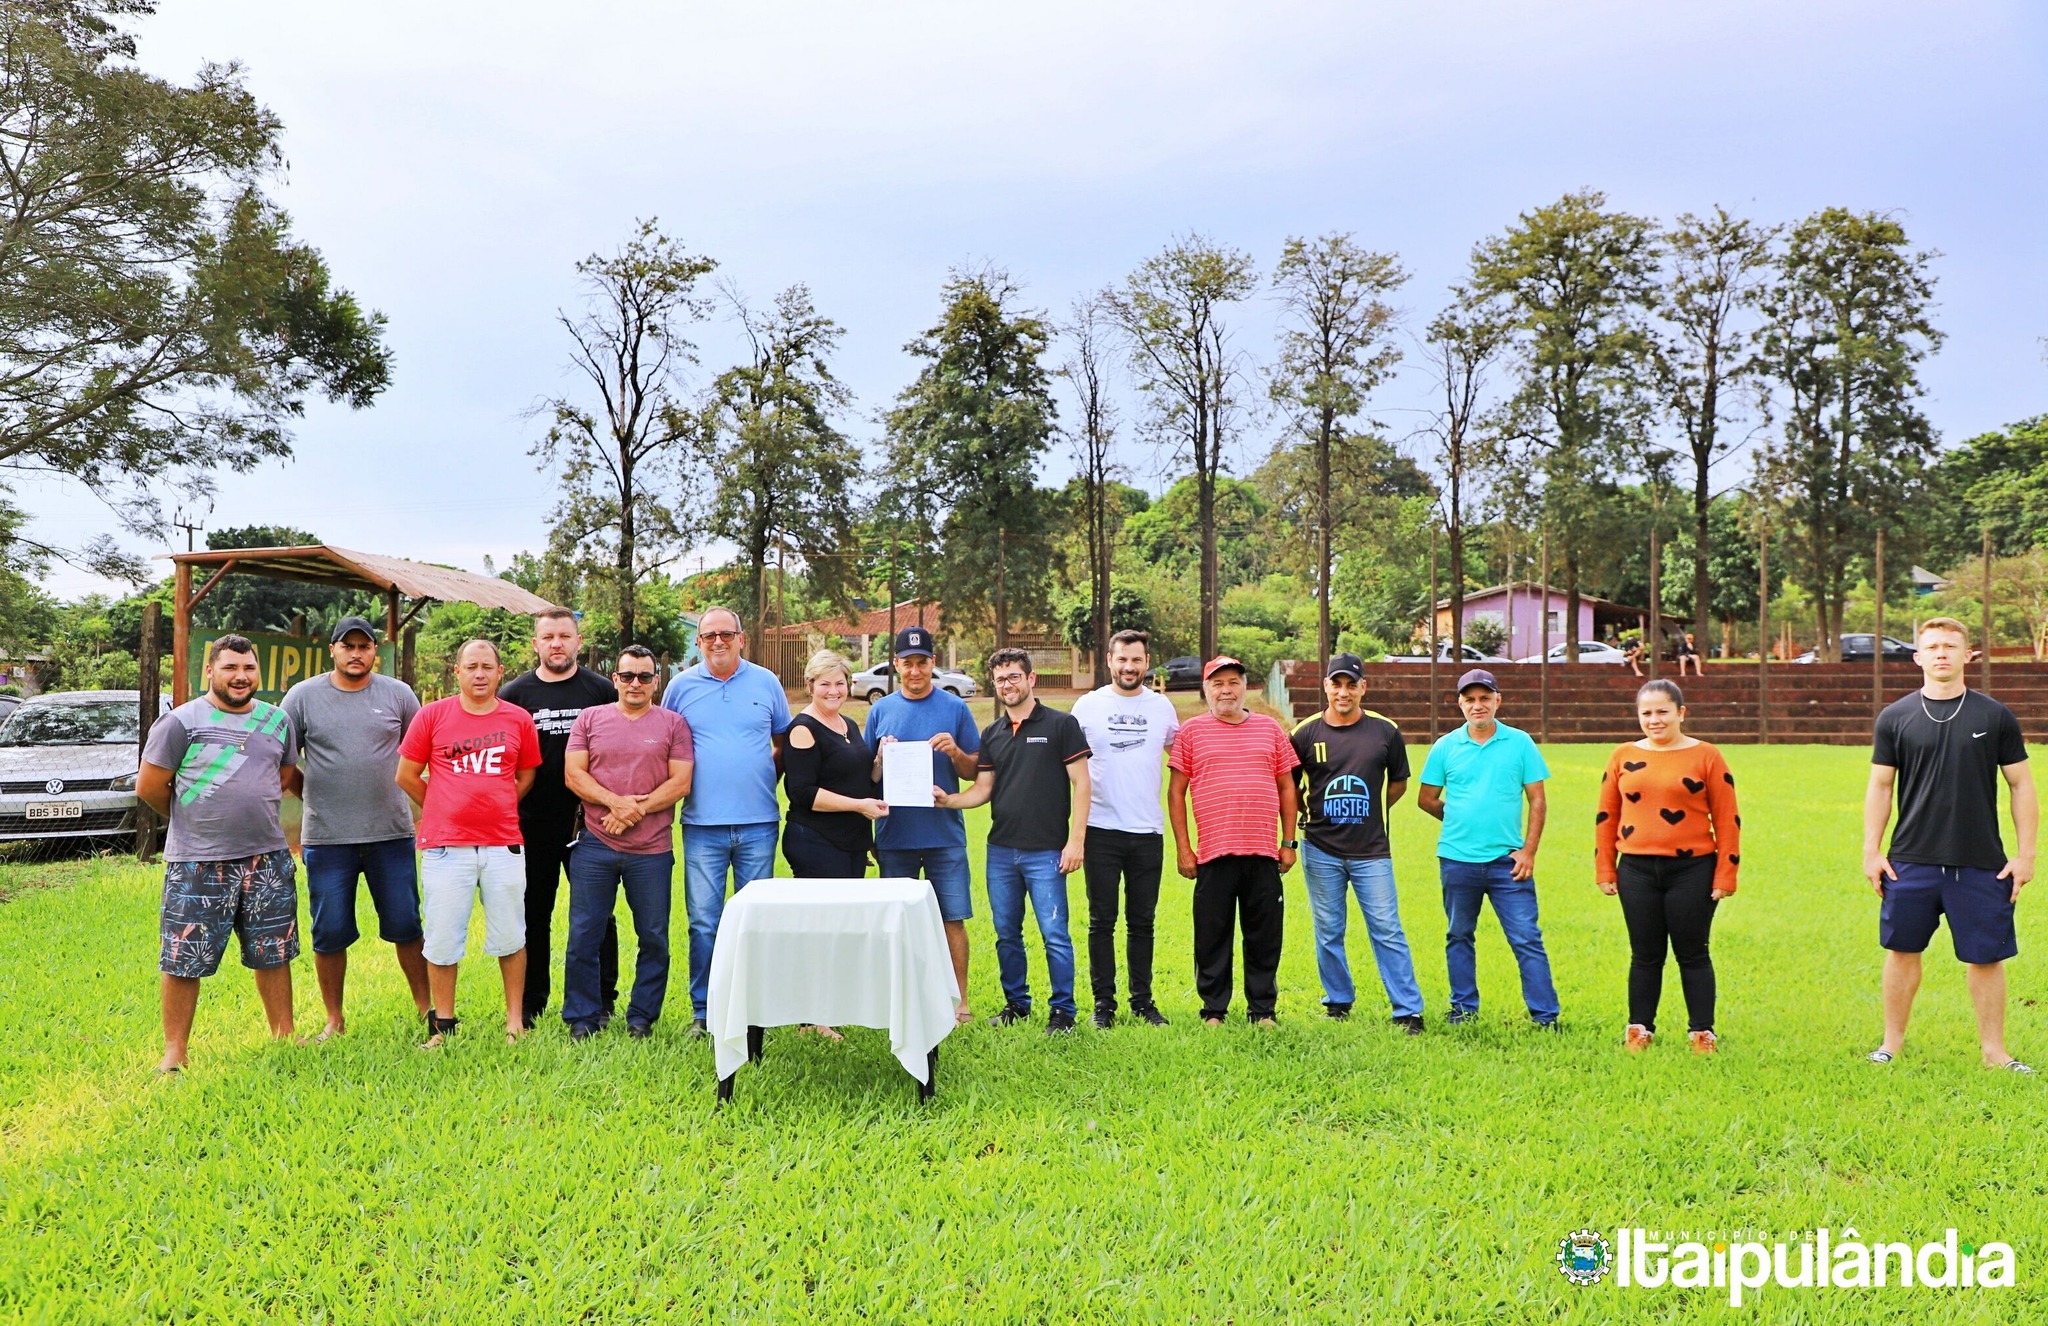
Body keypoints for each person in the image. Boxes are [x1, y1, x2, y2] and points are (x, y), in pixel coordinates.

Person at [1863, 617, 2035, 1072]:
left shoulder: (1994, 716)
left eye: (1951, 646)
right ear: (1918, 657)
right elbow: (1880, 787)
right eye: (1933, 646)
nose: (1942, 653)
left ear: (1967, 656)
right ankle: (1891, 1044)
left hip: (1981, 864)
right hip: (1910, 861)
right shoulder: (1895, 717)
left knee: (1986, 957)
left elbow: (2022, 785)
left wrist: (2026, 855)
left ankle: (1994, 1053)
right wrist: (1871, 851)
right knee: (1902, 952)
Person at [138, 635, 301, 1073]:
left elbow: (282, 777)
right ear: (209, 671)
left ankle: (284, 1034)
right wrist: (195, 817)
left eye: (248, 668)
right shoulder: (181, 723)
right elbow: (151, 787)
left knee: (274, 951)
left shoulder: (277, 721)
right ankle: (175, 1051)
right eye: (230, 667)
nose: (240, 676)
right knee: (183, 956)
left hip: (266, 858)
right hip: (197, 861)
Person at [281, 616, 429, 1039]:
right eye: (348, 646)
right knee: (329, 931)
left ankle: (425, 1008)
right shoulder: (304, 697)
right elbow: (286, 761)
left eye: (364, 646)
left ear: (374, 652)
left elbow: (418, 755)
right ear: (333, 650)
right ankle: (334, 1018)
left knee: (406, 924)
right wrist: (311, 793)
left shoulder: (398, 695)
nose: (356, 653)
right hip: (328, 838)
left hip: (391, 834)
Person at [396, 639, 542, 1047]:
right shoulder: (432, 716)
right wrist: (442, 806)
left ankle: (514, 1021)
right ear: (456, 672)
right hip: (445, 848)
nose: (479, 674)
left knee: (511, 934)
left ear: (500, 673)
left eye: (487, 667)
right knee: (442, 938)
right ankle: (442, 1025)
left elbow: (526, 776)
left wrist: (494, 804)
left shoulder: (518, 720)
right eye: (471, 666)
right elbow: (406, 775)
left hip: (502, 845)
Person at [939, 649, 1091, 1033]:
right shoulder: (992, 733)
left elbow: (1083, 783)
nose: (1007, 685)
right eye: (1000, 679)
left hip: (1047, 852)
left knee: (1054, 934)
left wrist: (1076, 842)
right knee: (1007, 933)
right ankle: (1016, 1004)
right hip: (1001, 852)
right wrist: (950, 800)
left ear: (1031, 678)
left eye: (1014, 677)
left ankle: (1063, 1012)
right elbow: (983, 788)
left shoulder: (1061, 725)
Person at [660, 606, 791, 1037]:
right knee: (704, 922)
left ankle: (754, 1009)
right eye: (709, 635)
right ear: (698, 642)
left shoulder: (766, 682)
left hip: (758, 823)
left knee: (756, 920)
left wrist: (756, 773)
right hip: (701, 826)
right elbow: (665, 745)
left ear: (741, 638)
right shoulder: (680, 687)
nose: (718, 641)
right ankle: (706, 1010)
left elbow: (784, 743)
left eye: (726, 634)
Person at [1593, 679, 1741, 1054]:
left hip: (1693, 870)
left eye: (1662, 712)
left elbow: (1727, 819)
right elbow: (1606, 816)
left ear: (1681, 713)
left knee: (1693, 952)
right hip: (1637, 870)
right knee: (1644, 954)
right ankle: (1639, 1028)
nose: (1654, 720)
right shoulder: (1622, 756)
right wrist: (1605, 868)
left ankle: (1702, 1033)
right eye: (1646, 713)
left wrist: (1726, 873)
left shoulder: (1707, 756)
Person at [560, 645, 694, 1040]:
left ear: (656, 681)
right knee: (585, 933)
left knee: (653, 936)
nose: (636, 683)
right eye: (628, 676)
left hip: (652, 850)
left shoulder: (673, 724)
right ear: (615, 679)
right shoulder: (590, 719)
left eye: (645, 676)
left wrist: (634, 810)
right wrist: (615, 803)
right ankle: (583, 1017)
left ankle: (641, 1017)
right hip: (595, 846)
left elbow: (681, 781)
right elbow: (574, 776)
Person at [1417, 669, 1560, 1029]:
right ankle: (1463, 1009)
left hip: (1507, 862)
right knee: (1458, 935)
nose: (1477, 705)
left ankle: (1546, 1016)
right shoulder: (1446, 746)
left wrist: (1528, 851)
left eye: (1484, 698)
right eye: (1470, 699)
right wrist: (1460, 819)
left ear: (1498, 700)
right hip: (1456, 860)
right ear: (1460, 703)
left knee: (1526, 937)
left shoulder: (1520, 743)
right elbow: (1427, 799)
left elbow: (1538, 800)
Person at [1290, 653, 1425, 1032]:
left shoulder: (1385, 731)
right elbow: (1289, 785)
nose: (1344, 692)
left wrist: (1371, 811)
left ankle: (1407, 1009)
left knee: (1386, 927)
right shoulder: (1306, 732)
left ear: (1363, 687)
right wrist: (1308, 812)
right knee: (1329, 928)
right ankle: (1338, 1000)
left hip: (1371, 851)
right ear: (1326, 686)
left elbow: (1397, 783)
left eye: (1352, 684)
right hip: (1320, 848)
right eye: (1337, 683)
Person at [499, 610, 619, 1030]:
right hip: (532, 822)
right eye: (547, 636)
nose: (556, 644)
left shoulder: (601, 690)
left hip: (590, 823)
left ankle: (603, 1000)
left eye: (564, 636)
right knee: (534, 913)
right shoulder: (515, 695)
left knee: (597, 916)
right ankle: (531, 1002)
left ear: (578, 642)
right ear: (535, 644)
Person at [1167, 656, 1300, 1026]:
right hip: (1213, 852)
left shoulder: (1270, 730)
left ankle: (1263, 1011)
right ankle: (1214, 1011)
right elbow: (1176, 792)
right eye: (1217, 683)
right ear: (1205, 689)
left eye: (1233, 682)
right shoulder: (1191, 732)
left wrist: (1289, 842)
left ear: (1245, 687)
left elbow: (1287, 787)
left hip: (1262, 851)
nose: (1226, 690)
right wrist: (1184, 848)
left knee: (1264, 935)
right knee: (1212, 935)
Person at [866, 625, 981, 1025]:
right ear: (896, 667)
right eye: (907, 664)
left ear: (934, 664)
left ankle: (960, 1001)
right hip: (895, 836)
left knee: (952, 917)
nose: (915, 671)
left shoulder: (955, 709)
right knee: (895, 921)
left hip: (944, 834)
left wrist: (956, 752)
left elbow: (973, 772)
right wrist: (880, 757)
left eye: (923, 663)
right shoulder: (881, 710)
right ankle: (897, 997)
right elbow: (870, 778)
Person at [1069, 628, 1179, 1028]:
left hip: (1148, 832)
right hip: (1100, 828)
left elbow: (1182, 757)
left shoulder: (1163, 708)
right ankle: (1103, 1005)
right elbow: (1066, 763)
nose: (1129, 667)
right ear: (1110, 661)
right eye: (1122, 659)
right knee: (1101, 921)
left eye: (1136, 659)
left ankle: (1143, 1002)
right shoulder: (1087, 706)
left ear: (1146, 662)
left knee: (1142, 922)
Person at [780, 649, 887, 878]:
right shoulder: (803, 729)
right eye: (824, 684)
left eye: (839, 683)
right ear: (810, 686)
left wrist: (880, 760)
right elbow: (803, 793)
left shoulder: (848, 724)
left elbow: (861, 781)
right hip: (816, 841)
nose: (833, 691)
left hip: (852, 841)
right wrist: (859, 806)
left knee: (850, 914)